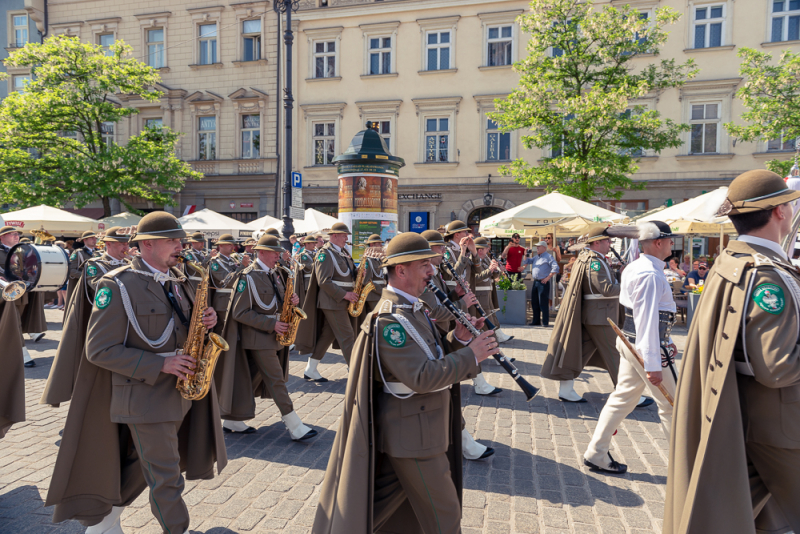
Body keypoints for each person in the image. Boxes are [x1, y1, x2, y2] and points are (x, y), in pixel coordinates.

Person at [46, 211, 227, 534]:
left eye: (179, 239)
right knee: (167, 476)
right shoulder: (116, 285)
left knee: (143, 469)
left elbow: (179, 330)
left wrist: (206, 321)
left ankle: (103, 523)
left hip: (179, 392)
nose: (180, 245)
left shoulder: (181, 280)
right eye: (172, 240)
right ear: (146, 245)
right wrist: (161, 364)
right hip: (144, 397)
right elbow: (99, 350)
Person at [312, 232, 498, 533]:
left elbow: (427, 357)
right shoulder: (390, 321)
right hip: (414, 437)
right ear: (401, 270)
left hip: (416, 432)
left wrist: (457, 341)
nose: (432, 271)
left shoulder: (413, 309)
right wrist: (472, 356)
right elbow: (421, 377)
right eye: (425, 264)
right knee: (446, 517)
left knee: (371, 512)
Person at [665, 170, 800, 534]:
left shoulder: (732, 259)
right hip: (781, 425)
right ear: (779, 213)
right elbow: (777, 367)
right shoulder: (767, 276)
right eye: (790, 204)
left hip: (746, 414)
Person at [583, 221, 678, 475]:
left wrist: (666, 341)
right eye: (670, 240)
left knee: (622, 398)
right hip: (646, 346)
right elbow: (646, 319)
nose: (672, 243)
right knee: (671, 407)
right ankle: (684, 469)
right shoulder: (649, 273)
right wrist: (654, 364)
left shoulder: (638, 267)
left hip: (633, 342)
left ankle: (596, 452)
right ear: (658, 242)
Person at [216, 235, 318, 440]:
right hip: (257, 337)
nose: (278, 256)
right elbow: (239, 312)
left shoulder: (276, 274)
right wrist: (272, 324)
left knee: (252, 377)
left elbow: (276, 303)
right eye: (274, 252)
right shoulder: (248, 276)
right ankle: (294, 424)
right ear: (261, 252)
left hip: (274, 337)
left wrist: (292, 302)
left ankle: (232, 418)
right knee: (276, 379)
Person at [542, 227, 655, 407]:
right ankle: (628, 395)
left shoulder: (592, 259)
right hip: (601, 317)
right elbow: (605, 289)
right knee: (617, 355)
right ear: (597, 242)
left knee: (579, 352)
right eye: (607, 241)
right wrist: (633, 286)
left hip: (596, 315)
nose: (610, 244)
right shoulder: (595, 262)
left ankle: (566, 389)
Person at [41, 226, 131, 407]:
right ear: (108, 244)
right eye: (121, 243)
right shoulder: (95, 264)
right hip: (101, 323)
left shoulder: (129, 263)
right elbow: (99, 286)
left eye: (127, 243)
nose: (126, 247)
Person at [442, 220, 502, 394]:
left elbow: (477, 271)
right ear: (456, 235)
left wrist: (474, 252)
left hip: (466, 298)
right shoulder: (447, 251)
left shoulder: (469, 250)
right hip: (454, 298)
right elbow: (452, 271)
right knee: (462, 339)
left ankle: (478, 381)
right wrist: (462, 252)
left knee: (469, 338)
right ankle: (476, 381)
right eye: (465, 233)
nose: (469, 236)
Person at [296, 222, 359, 382]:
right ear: (335, 236)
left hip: (341, 300)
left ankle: (311, 369)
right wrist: (345, 295)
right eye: (344, 235)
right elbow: (324, 281)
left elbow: (347, 274)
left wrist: (359, 272)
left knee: (327, 336)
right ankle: (356, 371)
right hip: (333, 301)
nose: (346, 238)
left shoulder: (343, 252)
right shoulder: (325, 253)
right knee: (348, 336)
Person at [0, 226, 41, 367]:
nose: (16, 236)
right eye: (12, 234)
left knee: (17, 321)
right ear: (2, 237)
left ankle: (30, 333)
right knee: (14, 322)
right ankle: (23, 355)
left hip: (20, 291)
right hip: (4, 294)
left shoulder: (20, 252)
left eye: (17, 234)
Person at [208, 234, 250, 334]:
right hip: (224, 301)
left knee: (234, 333)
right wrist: (242, 266)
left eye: (233, 245)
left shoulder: (233, 260)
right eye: (229, 244)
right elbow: (227, 281)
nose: (232, 247)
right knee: (223, 332)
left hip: (235, 299)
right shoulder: (215, 262)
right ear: (221, 246)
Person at [524, 241, 559, 327]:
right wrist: (525, 254)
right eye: (537, 247)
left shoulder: (549, 257)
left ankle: (545, 322)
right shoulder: (536, 257)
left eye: (539, 246)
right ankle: (536, 321)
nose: (537, 248)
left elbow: (556, 268)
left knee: (543, 303)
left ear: (544, 248)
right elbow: (527, 261)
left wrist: (548, 278)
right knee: (534, 302)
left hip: (543, 282)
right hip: (535, 281)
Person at [66, 230, 98, 305]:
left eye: (95, 238)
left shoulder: (98, 252)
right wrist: (85, 276)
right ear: (85, 240)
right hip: (82, 287)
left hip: (95, 286)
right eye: (91, 238)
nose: (94, 240)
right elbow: (71, 270)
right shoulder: (79, 252)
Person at [361, 234, 387, 313]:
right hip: (373, 296)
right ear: (372, 245)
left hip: (381, 294)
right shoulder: (367, 260)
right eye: (379, 244)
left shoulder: (378, 260)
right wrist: (382, 291)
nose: (381, 246)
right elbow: (366, 281)